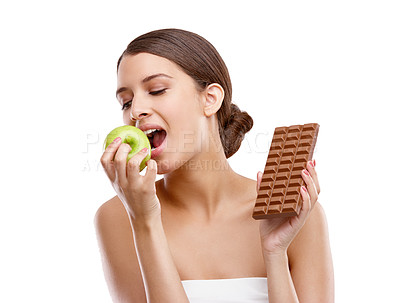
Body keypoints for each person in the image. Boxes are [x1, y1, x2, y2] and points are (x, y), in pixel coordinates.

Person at [94, 28, 334, 303]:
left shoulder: (296, 213)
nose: (136, 111)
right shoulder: (118, 218)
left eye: (157, 90)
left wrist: (274, 252)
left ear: (210, 99)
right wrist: (145, 220)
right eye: (126, 101)